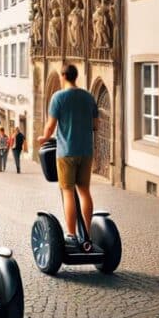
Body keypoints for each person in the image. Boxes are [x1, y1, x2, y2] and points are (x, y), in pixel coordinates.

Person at [37, 64, 99, 248]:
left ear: (63, 76)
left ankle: (71, 234)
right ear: (76, 76)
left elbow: (50, 126)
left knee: (68, 192)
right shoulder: (88, 97)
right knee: (85, 191)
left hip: (66, 152)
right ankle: (86, 233)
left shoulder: (58, 97)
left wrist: (44, 138)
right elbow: (95, 125)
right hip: (86, 151)